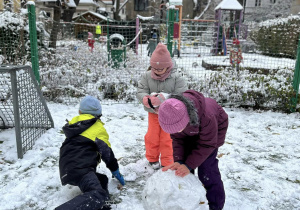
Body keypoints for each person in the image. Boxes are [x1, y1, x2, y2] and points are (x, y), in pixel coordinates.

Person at [159, 90, 229, 210]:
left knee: (207, 170)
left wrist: (190, 164)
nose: (175, 132)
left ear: (186, 118)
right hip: (191, 130)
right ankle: (189, 200)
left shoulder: (208, 117)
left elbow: (207, 144)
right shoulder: (174, 119)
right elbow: (178, 140)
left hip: (213, 134)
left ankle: (215, 205)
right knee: (184, 170)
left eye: (177, 129)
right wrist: (180, 161)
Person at [56, 95, 125, 210]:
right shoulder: (97, 128)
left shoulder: (74, 125)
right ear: (99, 114)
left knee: (102, 179)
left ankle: (103, 205)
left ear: (79, 111)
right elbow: (107, 153)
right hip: (82, 170)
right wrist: (115, 170)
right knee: (98, 194)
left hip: (66, 170)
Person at [136, 43, 188, 169]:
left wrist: (166, 98)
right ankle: (152, 159)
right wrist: (146, 99)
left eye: (160, 69)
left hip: (170, 116)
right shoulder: (147, 76)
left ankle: (167, 160)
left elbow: (182, 95)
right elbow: (140, 91)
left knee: (167, 138)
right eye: (154, 68)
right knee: (152, 136)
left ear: (168, 66)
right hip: (153, 113)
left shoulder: (177, 78)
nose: (157, 71)